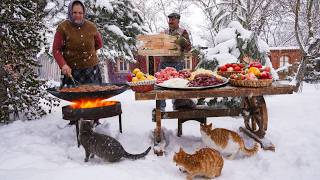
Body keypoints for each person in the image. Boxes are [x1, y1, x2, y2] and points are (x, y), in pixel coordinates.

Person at [52, 0, 103, 87]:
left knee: (94, 96)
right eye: (74, 12)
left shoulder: (91, 27)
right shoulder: (63, 28)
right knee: (76, 97)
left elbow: (99, 44)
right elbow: (56, 50)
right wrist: (63, 65)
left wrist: (88, 54)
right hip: (72, 71)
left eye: (80, 13)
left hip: (91, 70)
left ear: (84, 13)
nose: (78, 15)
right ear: (70, 13)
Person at [158, 12, 195, 111]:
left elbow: (188, 48)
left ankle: (178, 105)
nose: (170, 21)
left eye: (173, 19)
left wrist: (181, 40)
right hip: (163, 62)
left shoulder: (183, 32)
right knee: (160, 84)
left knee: (178, 84)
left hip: (177, 63)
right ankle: (161, 107)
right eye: (169, 19)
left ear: (178, 21)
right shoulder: (164, 32)